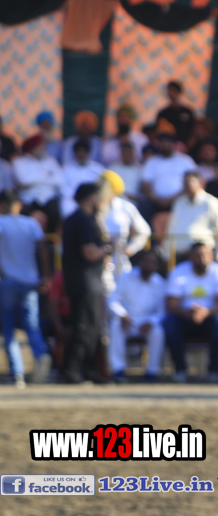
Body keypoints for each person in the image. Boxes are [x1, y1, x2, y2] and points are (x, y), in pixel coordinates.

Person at [59, 183, 113, 383]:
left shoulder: (78, 219)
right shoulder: (83, 221)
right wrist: (107, 249)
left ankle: (89, 369)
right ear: (92, 197)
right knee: (84, 326)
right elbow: (90, 253)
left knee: (91, 326)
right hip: (85, 282)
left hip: (82, 281)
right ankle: (73, 370)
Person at [163, 238, 218, 383]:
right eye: (198, 255)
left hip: (211, 316)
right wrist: (189, 313)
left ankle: (214, 370)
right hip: (185, 316)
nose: (202, 259)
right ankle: (180, 370)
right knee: (169, 322)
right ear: (190, 256)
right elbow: (171, 304)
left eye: (206, 254)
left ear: (212, 255)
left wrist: (205, 312)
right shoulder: (178, 272)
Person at [0, 190, 52, 387]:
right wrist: (45, 275)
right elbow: (43, 249)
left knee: (9, 327)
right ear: (19, 205)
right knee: (32, 325)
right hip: (30, 281)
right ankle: (41, 354)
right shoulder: (31, 223)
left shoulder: (1, 223)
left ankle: (17, 373)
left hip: (8, 281)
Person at [107, 249, 166, 383]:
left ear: (157, 266)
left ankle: (152, 372)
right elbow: (113, 300)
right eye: (147, 261)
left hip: (147, 322)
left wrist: (151, 321)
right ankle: (118, 370)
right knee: (115, 327)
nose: (149, 265)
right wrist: (122, 315)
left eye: (153, 262)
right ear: (140, 262)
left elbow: (162, 311)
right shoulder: (126, 278)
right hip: (127, 320)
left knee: (158, 332)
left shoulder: (160, 283)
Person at [98, 170, 150, 290]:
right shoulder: (94, 207)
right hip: (99, 260)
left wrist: (130, 249)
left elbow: (144, 231)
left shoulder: (125, 207)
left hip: (120, 261)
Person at [165, 172, 218, 264]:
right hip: (180, 256)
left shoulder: (210, 202)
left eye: (190, 181)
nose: (187, 184)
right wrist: (167, 253)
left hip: (203, 258)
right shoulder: (179, 203)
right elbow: (171, 229)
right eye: (184, 182)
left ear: (200, 182)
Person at [140, 130, 196, 225]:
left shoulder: (185, 160)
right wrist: (156, 199)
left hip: (180, 199)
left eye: (168, 142)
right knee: (145, 205)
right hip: (156, 202)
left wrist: (174, 198)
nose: (165, 145)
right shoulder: (151, 161)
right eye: (163, 142)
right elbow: (145, 184)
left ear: (174, 144)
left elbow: (193, 182)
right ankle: (150, 234)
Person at [13, 135, 63, 231]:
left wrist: (33, 181)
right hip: (28, 200)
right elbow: (24, 180)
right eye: (40, 146)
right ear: (33, 148)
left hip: (48, 199)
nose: (44, 148)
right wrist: (47, 175)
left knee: (55, 212)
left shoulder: (51, 161)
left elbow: (59, 180)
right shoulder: (19, 162)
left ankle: (50, 238)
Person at [60, 138, 105, 218]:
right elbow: (64, 189)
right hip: (72, 200)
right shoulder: (66, 169)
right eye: (79, 151)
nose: (81, 154)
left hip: (91, 201)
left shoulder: (98, 169)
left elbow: (100, 187)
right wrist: (77, 200)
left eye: (83, 151)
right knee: (66, 208)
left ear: (88, 153)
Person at [109, 140, 143, 205]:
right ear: (121, 154)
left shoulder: (140, 170)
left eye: (129, 152)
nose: (127, 155)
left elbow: (142, 192)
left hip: (134, 204)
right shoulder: (113, 169)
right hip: (116, 203)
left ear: (133, 154)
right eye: (124, 152)